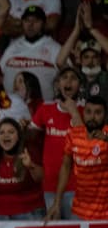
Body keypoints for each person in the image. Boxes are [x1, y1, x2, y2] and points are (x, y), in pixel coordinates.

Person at [28, 68, 84, 219]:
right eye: (64, 78)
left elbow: (86, 143)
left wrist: (74, 113)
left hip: (78, 187)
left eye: (73, 78)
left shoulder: (86, 110)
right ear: (58, 84)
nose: (68, 81)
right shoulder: (46, 109)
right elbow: (30, 137)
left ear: (79, 85)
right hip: (50, 185)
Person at [47, 96, 108, 221]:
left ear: (105, 116)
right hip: (79, 211)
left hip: (105, 213)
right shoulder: (74, 134)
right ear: (83, 113)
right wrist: (57, 202)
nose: (92, 117)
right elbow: (65, 167)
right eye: (89, 112)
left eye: (98, 112)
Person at [0, 6, 61, 101]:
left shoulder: (55, 48)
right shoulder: (12, 46)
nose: (30, 24)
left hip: (43, 108)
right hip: (11, 108)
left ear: (43, 24)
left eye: (35, 21)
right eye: (27, 20)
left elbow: (67, 74)